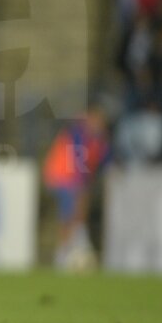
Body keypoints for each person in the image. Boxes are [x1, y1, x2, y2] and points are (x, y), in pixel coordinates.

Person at [42, 105, 110, 271]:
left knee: (75, 214)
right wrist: (83, 186)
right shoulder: (77, 134)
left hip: (71, 179)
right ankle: (64, 254)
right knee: (70, 215)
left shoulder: (97, 139)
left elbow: (105, 158)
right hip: (62, 177)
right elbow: (79, 163)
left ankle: (71, 249)